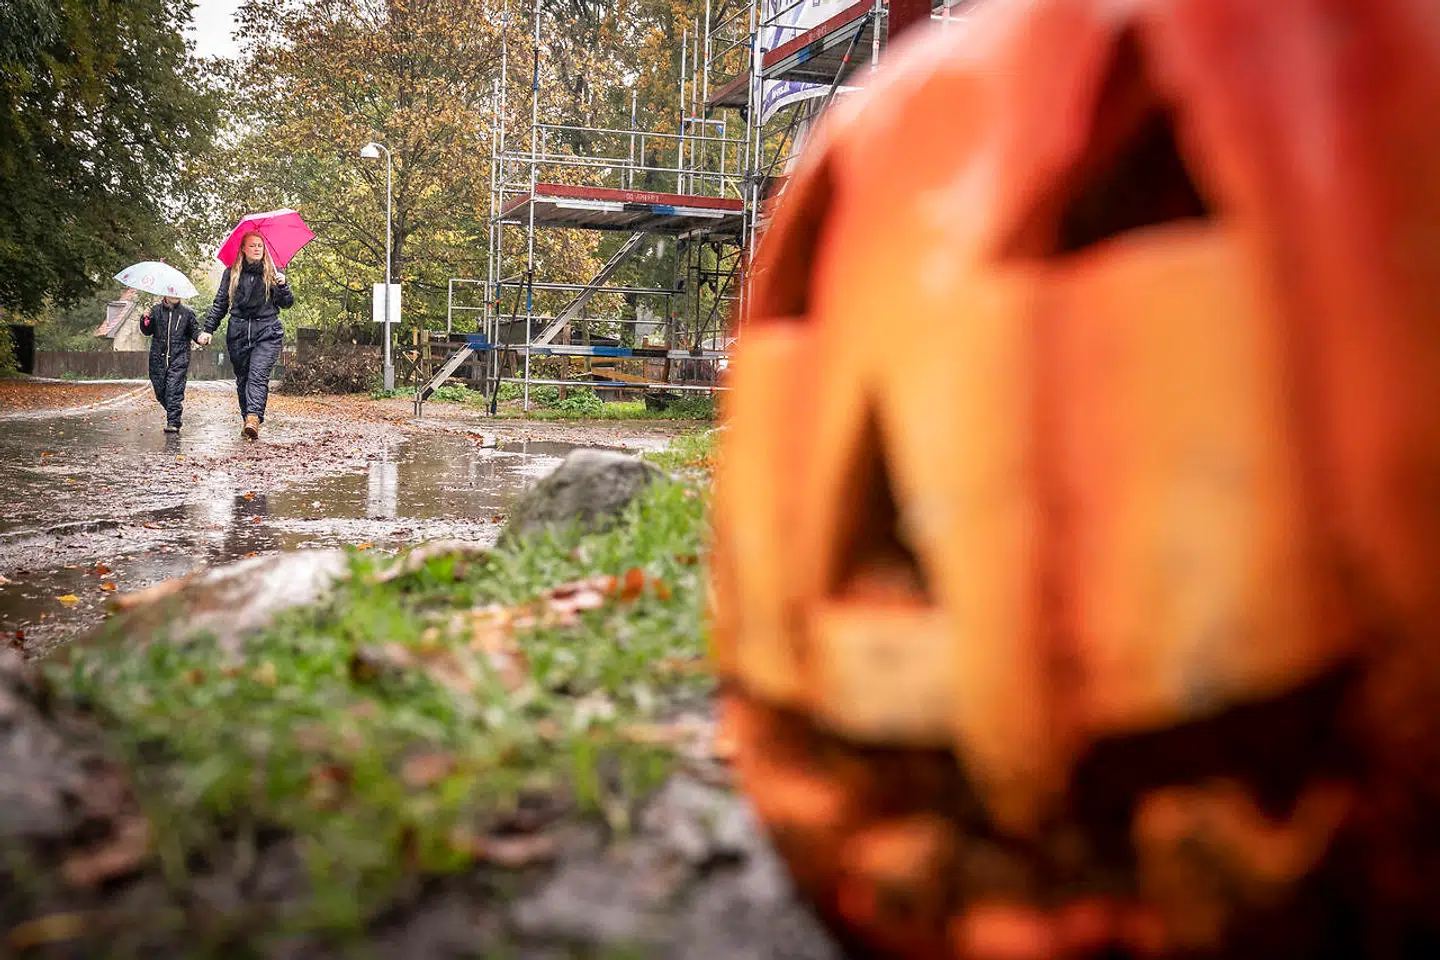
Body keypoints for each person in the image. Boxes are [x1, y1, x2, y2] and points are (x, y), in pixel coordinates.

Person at [199, 232, 294, 440]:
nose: (257, 249)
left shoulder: (274, 272)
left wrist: (283, 286)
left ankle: (253, 417)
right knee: (243, 379)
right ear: (243, 248)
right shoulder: (231, 272)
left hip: (267, 332)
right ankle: (248, 419)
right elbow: (220, 303)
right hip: (239, 332)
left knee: (258, 376)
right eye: (253, 245)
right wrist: (208, 329)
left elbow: (286, 304)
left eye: (260, 245)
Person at [139, 295, 201, 434]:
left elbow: (195, 331)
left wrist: (201, 337)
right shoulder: (155, 311)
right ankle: (174, 413)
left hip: (179, 357)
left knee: (174, 389)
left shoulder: (187, 313)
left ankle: (173, 422)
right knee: (161, 392)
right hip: (158, 357)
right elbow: (146, 331)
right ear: (165, 294)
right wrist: (145, 319)